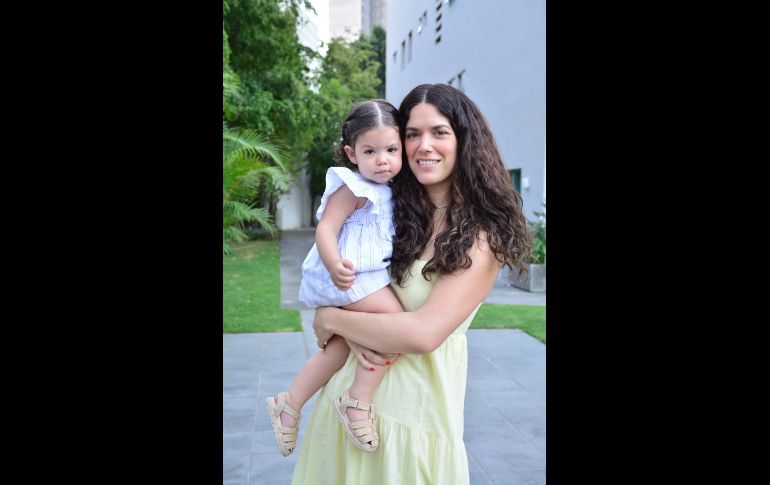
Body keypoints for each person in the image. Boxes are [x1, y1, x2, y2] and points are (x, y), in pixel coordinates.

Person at [290, 84, 532, 485]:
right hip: (346, 412)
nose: (424, 145)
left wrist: (331, 319)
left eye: (439, 132)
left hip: (414, 425)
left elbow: (422, 334)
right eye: (412, 134)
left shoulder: (479, 235)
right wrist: (336, 309)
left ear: (464, 141)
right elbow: (340, 275)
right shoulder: (387, 213)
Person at [267, 99, 405, 457]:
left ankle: (289, 403)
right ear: (351, 153)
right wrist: (333, 264)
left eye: (391, 150)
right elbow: (326, 228)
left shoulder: (393, 190)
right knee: (396, 325)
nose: (382, 160)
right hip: (344, 274)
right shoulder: (352, 187)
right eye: (370, 151)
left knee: (340, 348)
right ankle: (358, 399)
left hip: (362, 276)